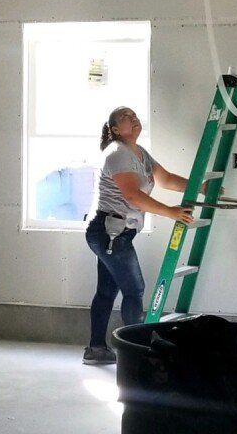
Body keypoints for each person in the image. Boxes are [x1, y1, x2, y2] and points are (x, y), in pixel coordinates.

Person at [82, 106, 194, 365]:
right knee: (135, 289)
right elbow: (132, 195)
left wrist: (199, 187)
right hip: (110, 233)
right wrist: (170, 212)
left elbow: (164, 179)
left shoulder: (139, 154)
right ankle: (137, 355)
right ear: (114, 130)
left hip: (115, 232)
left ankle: (96, 349)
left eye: (134, 116)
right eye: (125, 118)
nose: (133, 120)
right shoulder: (118, 154)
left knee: (107, 291)